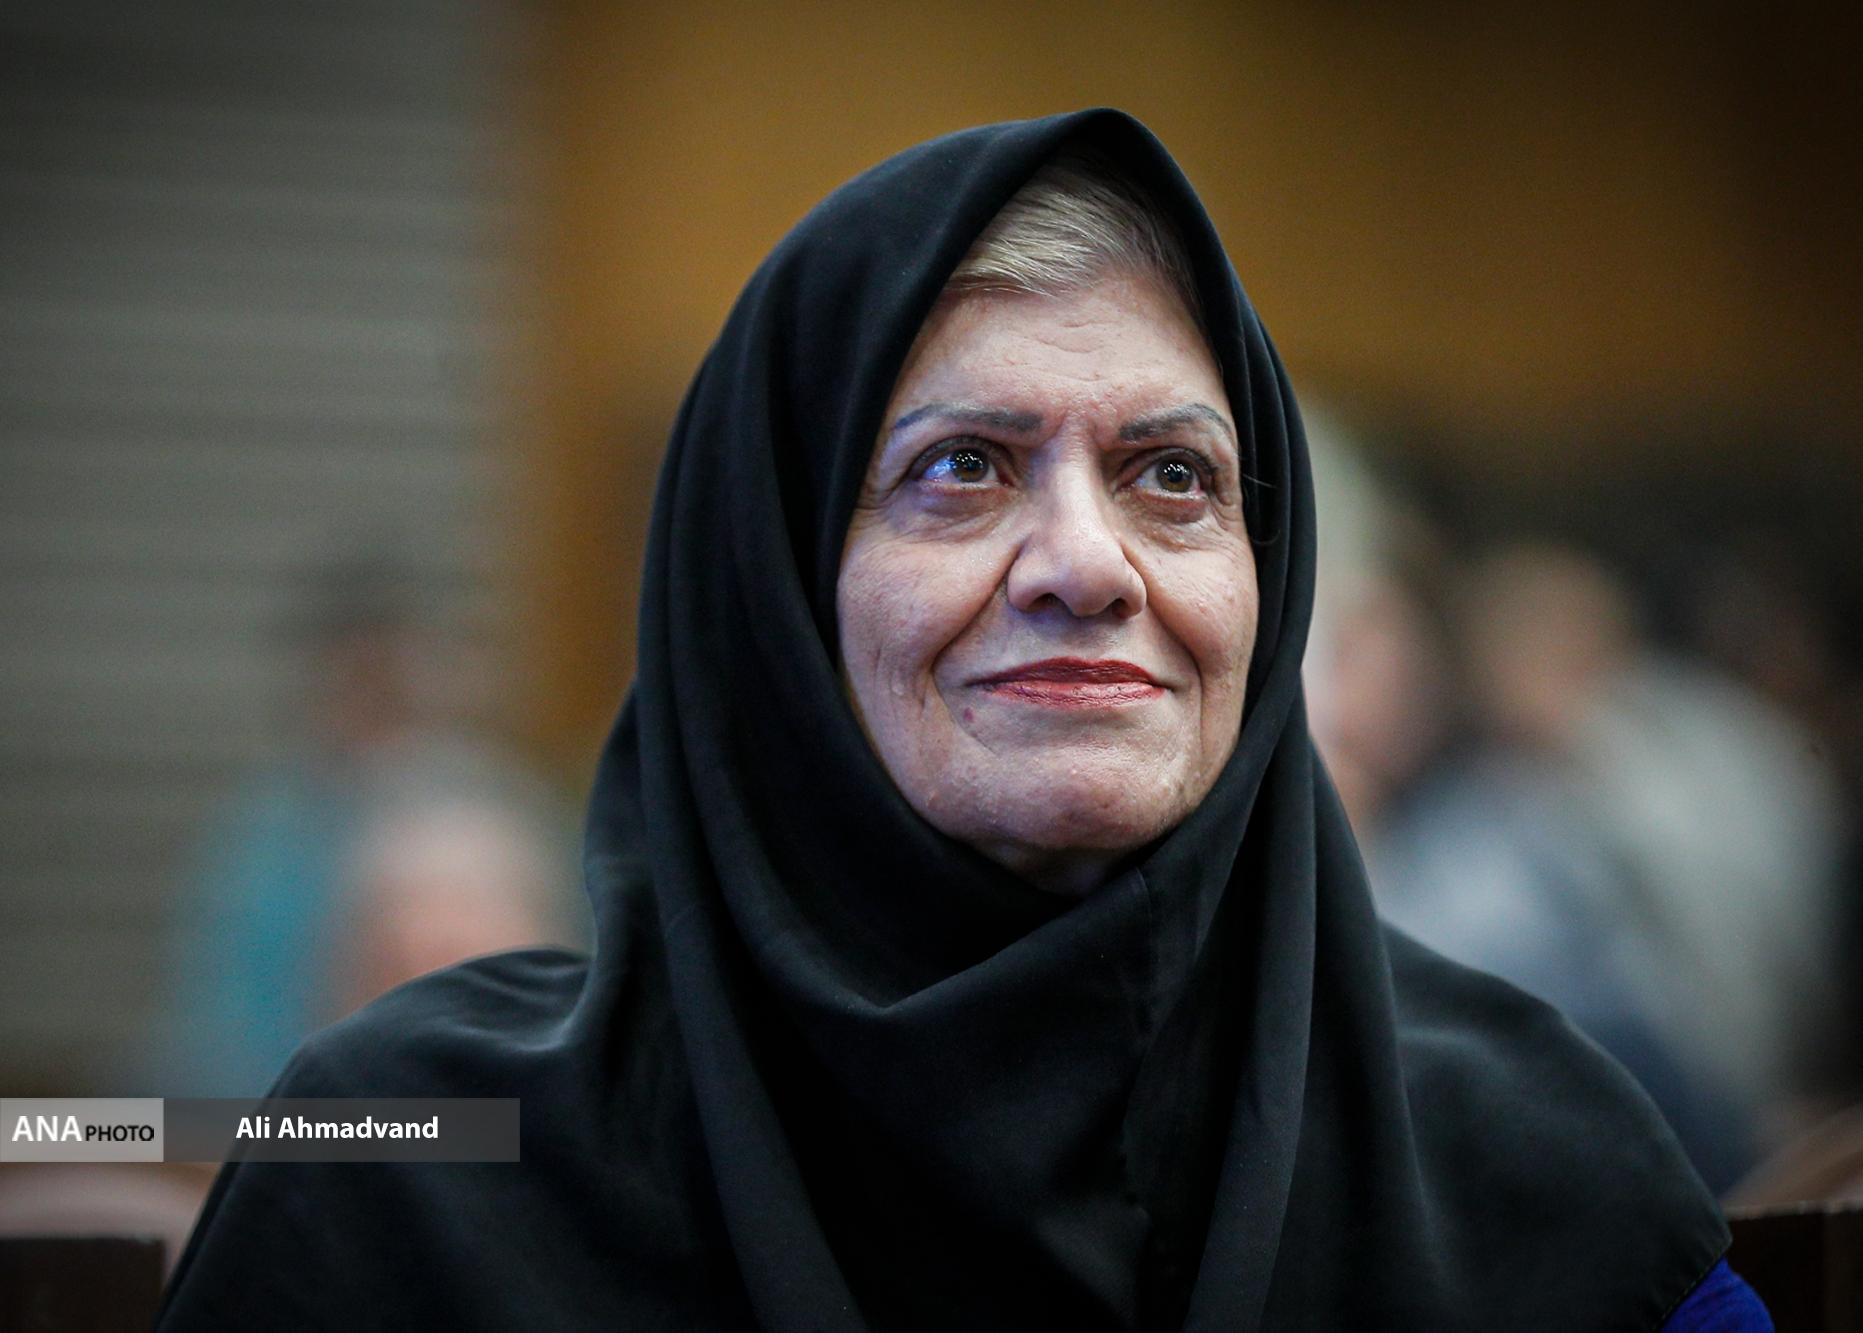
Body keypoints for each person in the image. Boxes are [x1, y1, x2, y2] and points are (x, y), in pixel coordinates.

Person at [156, 110, 1767, 1330]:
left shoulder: (1534, 1163)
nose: (1087, 563)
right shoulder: (413, 1174)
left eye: (1173, 475)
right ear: (775, 596)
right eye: (962, 467)